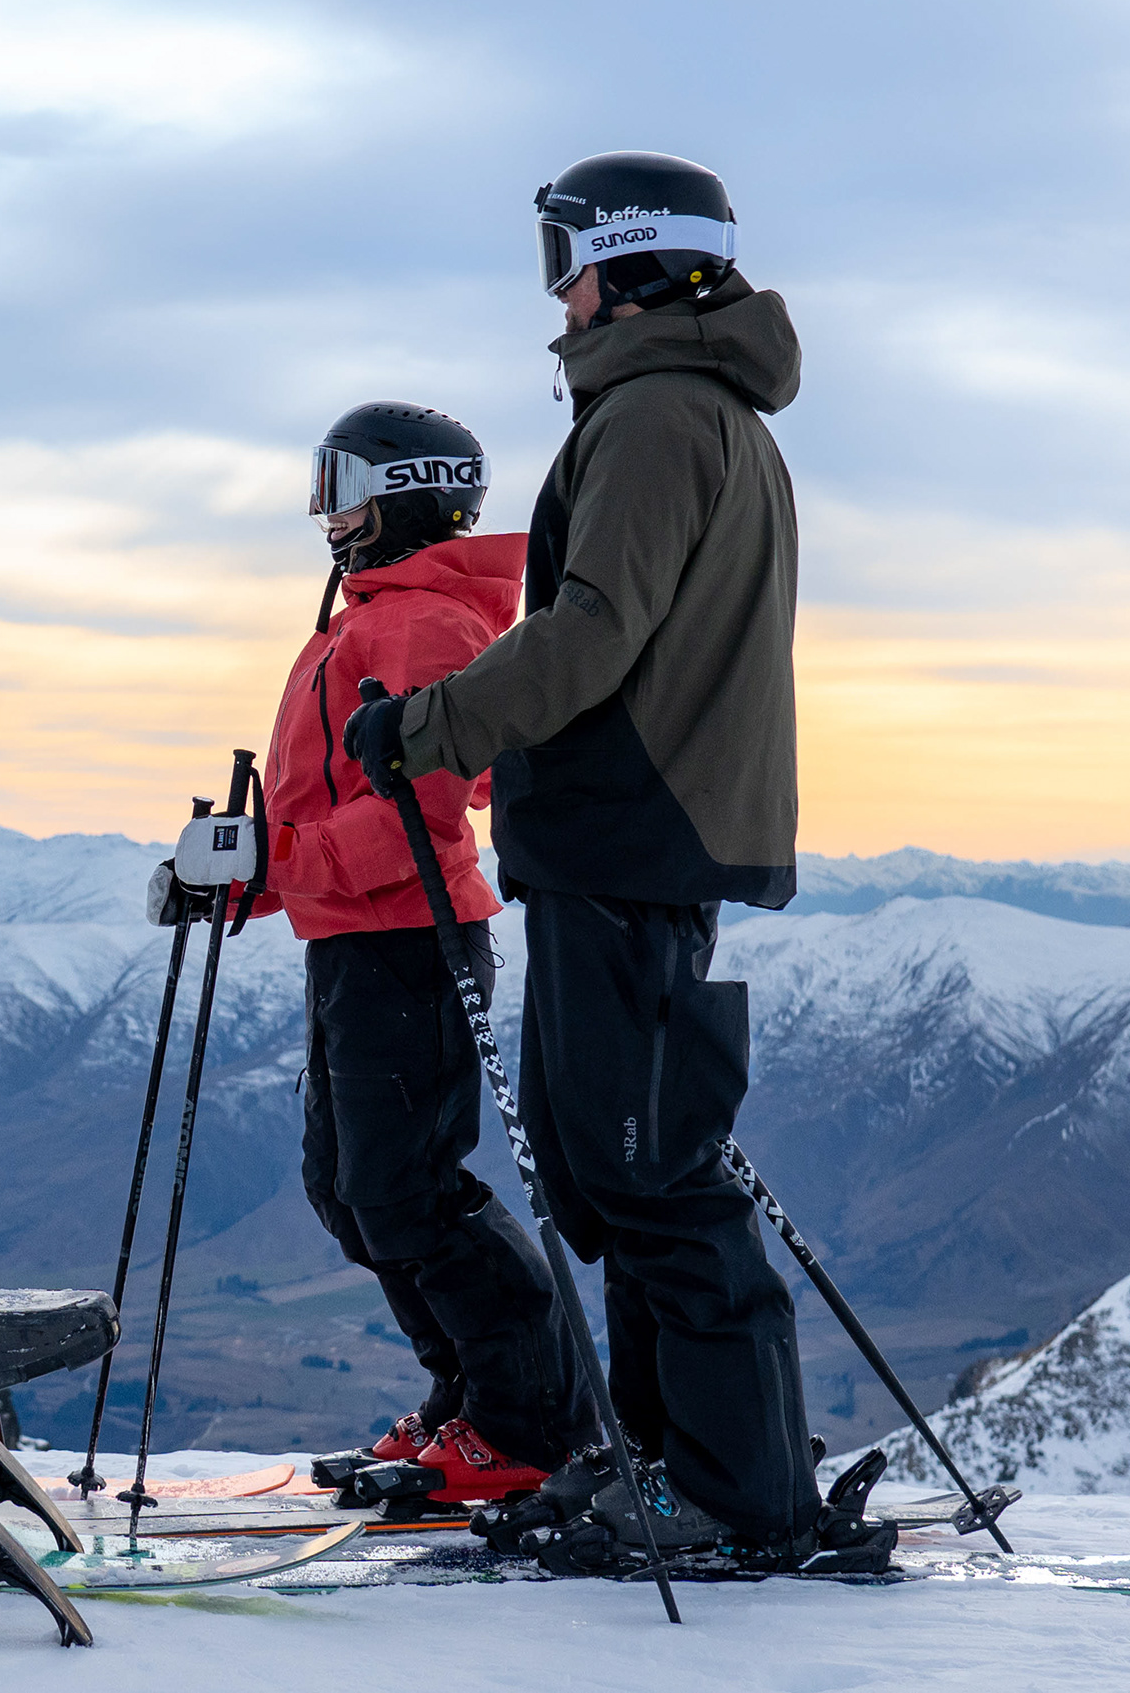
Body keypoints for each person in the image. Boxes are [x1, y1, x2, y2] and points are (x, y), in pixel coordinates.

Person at [340, 150, 890, 1574]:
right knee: (615, 1163)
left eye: (566, 260)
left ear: (632, 262)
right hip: (637, 831)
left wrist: (427, 727)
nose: (559, 295)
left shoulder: (655, 415)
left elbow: (590, 633)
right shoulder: (688, 412)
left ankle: (737, 1493)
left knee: (650, 1172)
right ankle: (667, 1460)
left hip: (635, 830)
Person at [205, 401, 567, 1508]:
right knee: (350, 1189)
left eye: (345, 487)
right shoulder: (366, 617)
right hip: (354, 938)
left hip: (413, 936)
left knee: (407, 1189)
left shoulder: (423, 626)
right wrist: (243, 876)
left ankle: (522, 1420)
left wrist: (273, 859)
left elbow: (419, 816)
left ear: (406, 496)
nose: (327, 512)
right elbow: (330, 805)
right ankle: (465, 1396)